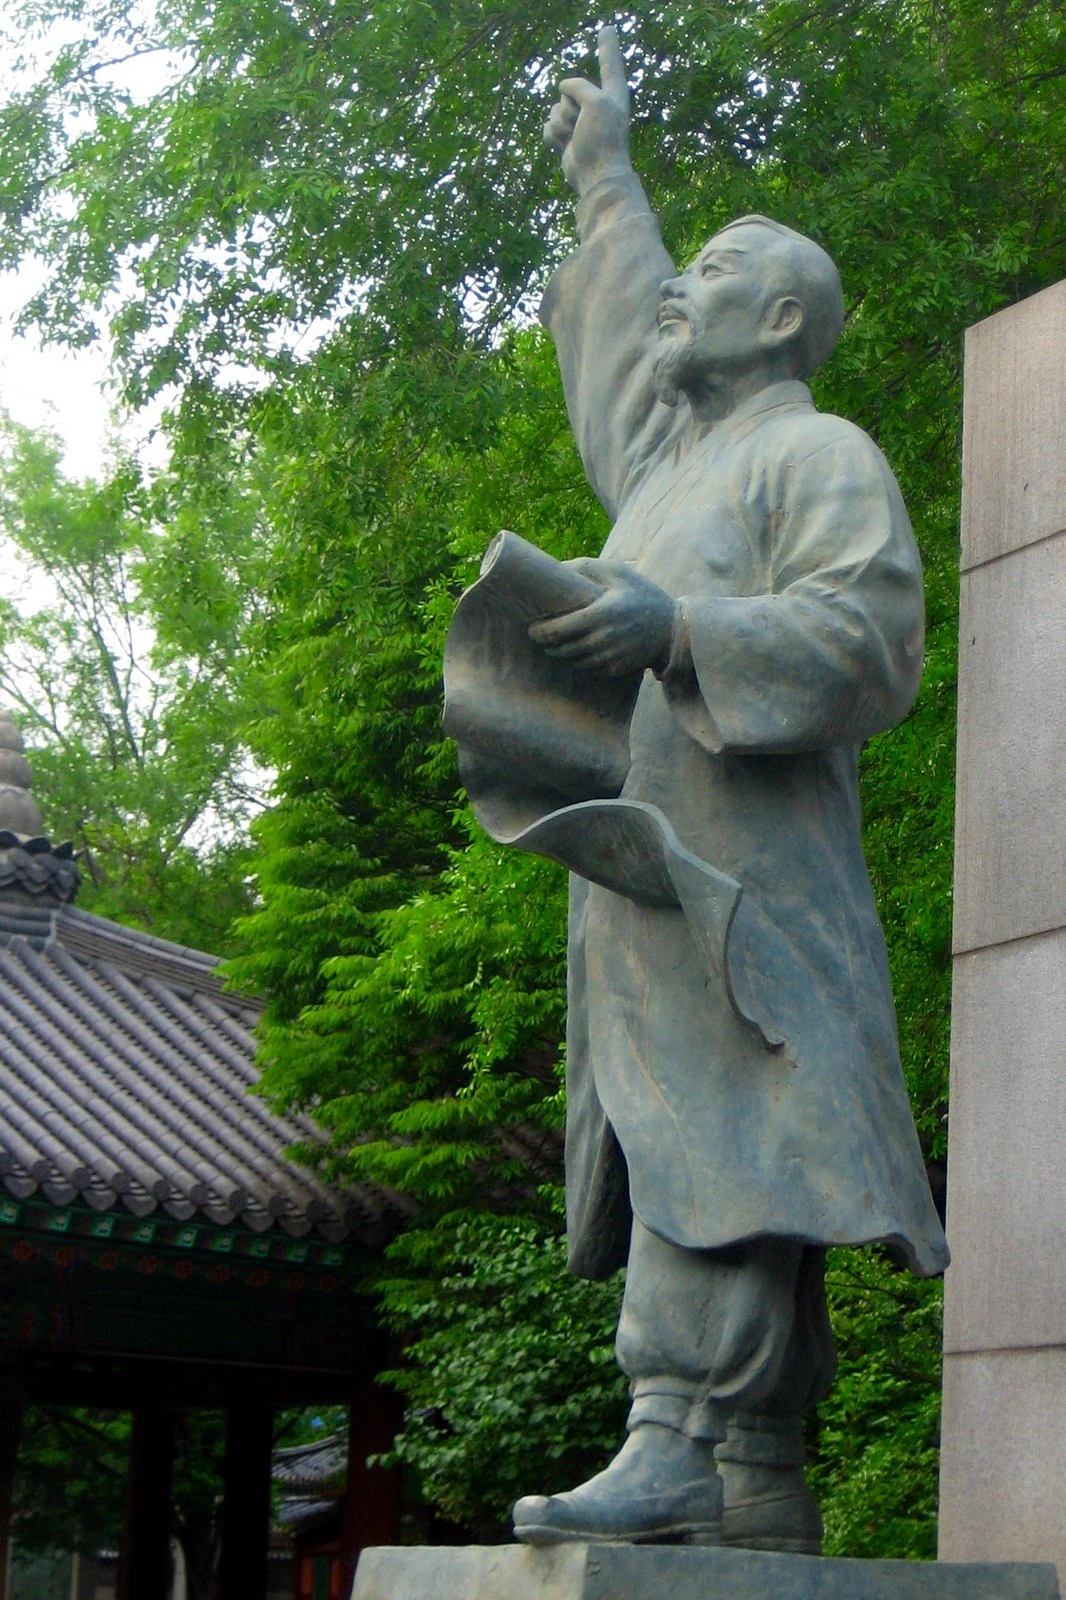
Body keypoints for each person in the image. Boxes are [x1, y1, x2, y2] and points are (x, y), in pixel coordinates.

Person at [505, 26, 949, 1552]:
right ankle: (751, 1469)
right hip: (649, 872)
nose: (678, 291)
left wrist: (679, 629)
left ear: (777, 321)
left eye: (712, 272)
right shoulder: (665, 471)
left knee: (734, 1129)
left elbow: (865, 638)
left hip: (750, 880)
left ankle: (678, 1430)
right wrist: (606, 178)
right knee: (688, 1128)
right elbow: (621, 341)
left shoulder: (815, 454)